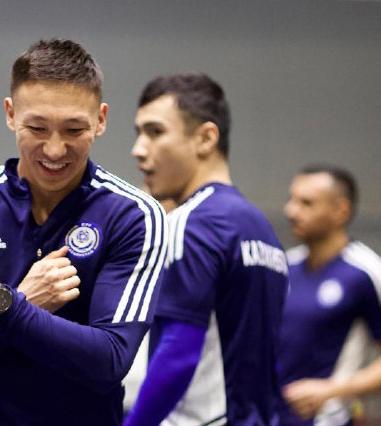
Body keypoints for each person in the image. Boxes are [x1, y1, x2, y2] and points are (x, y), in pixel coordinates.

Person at [0, 39, 168, 426]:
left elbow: (109, 360)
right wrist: (20, 302)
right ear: (10, 114)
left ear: (101, 120)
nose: (54, 150)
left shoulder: (133, 215)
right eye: (37, 128)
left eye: (74, 129)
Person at [125, 72, 288, 426]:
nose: (139, 149)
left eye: (155, 132)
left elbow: (179, 352)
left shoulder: (191, 221)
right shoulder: (261, 227)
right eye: (139, 133)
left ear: (206, 138)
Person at [278, 165, 381, 426]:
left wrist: (332, 390)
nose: (291, 211)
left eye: (306, 203)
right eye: (291, 200)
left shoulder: (365, 272)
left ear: (341, 211)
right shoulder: (284, 266)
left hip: (328, 419)